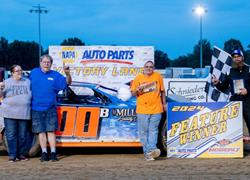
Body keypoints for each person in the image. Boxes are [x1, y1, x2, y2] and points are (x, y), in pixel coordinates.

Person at [30, 54, 72, 162]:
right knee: (41, 132)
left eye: (48, 62)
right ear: (40, 63)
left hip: (50, 108)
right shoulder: (33, 73)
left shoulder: (56, 76)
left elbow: (68, 83)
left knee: (51, 131)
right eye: (44, 62)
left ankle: (53, 153)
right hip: (36, 108)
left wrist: (67, 74)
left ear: (51, 64)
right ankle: (44, 153)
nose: (46, 64)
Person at [130, 60, 166, 161]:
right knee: (143, 132)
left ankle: (151, 150)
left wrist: (164, 104)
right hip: (142, 109)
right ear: (144, 68)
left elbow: (162, 91)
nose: (149, 68)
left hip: (156, 108)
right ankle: (147, 153)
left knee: (153, 131)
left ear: (153, 68)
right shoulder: (138, 78)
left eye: (151, 67)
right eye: (147, 67)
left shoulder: (158, 76)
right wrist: (137, 90)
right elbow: (132, 93)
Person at [212, 49, 250, 136]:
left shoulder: (249, 69)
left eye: (238, 57)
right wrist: (217, 84)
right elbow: (224, 87)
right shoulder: (230, 71)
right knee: (232, 124)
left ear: (242, 57)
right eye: (234, 57)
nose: (236, 59)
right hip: (235, 101)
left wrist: (247, 90)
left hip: (248, 101)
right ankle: (234, 146)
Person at [0, 65, 31, 162]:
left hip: (24, 112)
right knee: (11, 135)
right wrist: (0, 89)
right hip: (9, 113)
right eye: (17, 71)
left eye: (21, 70)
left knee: (22, 135)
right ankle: (12, 155)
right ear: (12, 73)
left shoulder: (27, 81)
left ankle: (21, 154)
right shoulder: (6, 82)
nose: (20, 72)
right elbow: (1, 95)